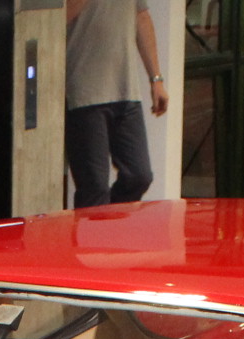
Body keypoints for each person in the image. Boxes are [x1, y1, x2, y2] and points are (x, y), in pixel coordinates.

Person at [65, 0, 168, 206]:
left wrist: (156, 79)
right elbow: (58, 16)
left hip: (125, 90)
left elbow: (141, 17)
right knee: (94, 188)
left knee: (139, 175)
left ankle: (108, 221)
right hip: (84, 92)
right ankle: (96, 223)